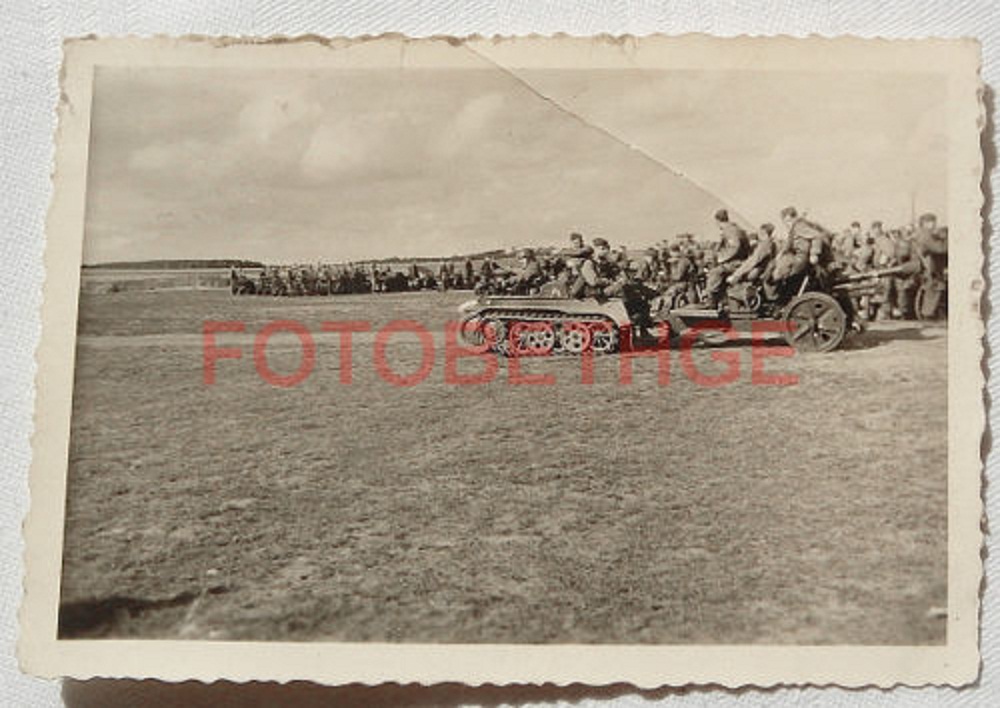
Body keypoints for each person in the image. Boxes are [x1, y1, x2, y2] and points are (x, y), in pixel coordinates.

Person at [704, 209, 749, 308]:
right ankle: (720, 299)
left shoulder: (730, 230)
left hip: (737, 263)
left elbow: (735, 247)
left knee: (714, 272)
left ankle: (711, 301)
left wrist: (720, 259)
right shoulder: (735, 228)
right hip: (739, 261)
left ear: (717, 221)